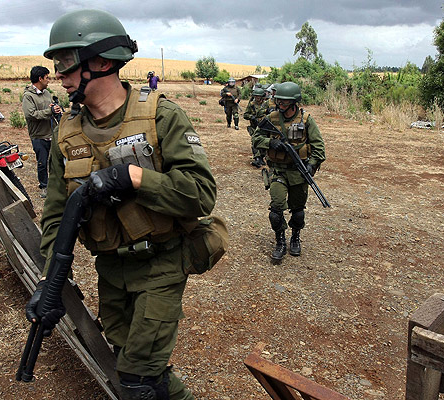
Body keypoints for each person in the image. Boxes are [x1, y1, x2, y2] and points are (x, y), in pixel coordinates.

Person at [29, 9, 216, 399]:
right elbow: (56, 217)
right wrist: (49, 282)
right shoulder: (67, 135)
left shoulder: (160, 116)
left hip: (162, 263)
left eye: (65, 64)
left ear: (100, 61)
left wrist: (134, 178)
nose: (59, 76)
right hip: (112, 269)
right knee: (137, 367)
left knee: (138, 381)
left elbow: (200, 194)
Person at [252, 82, 325, 260]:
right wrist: (270, 143)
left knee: (298, 211)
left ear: (294, 103)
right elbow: (256, 138)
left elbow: (319, 147)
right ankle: (280, 241)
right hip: (278, 171)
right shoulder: (272, 118)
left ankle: (295, 238)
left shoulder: (306, 120)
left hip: (299, 173)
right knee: (276, 211)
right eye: (279, 102)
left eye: (284, 103)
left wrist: (311, 163)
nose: (280, 106)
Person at [22, 66, 62, 198]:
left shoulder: (46, 93)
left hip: (51, 133)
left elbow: (49, 109)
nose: (49, 80)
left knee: (54, 162)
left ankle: (55, 185)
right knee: (42, 162)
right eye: (47, 77)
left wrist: (55, 109)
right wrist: (49, 112)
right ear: (40, 78)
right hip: (38, 136)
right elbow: (31, 115)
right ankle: (44, 186)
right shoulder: (28, 96)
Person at [243, 87, 268, 167]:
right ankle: (257, 158)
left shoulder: (266, 104)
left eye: (259, 96)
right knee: (255, 142)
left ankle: (261, 157)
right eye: (256, 96)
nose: (257, 98)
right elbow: (245, 115)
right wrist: (252, 117)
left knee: (264, 142)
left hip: (264, 127)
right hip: (254, 127)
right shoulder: (251, 104)